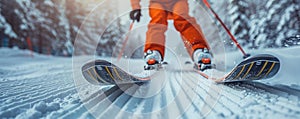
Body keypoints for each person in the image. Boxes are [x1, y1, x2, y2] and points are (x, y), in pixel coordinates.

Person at [130, 0, 212, 70]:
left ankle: (199, 50)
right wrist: (135, 7)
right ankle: (154, 52)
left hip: (178, 1)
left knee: (182, 18)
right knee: (157, 19)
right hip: (157, 2)